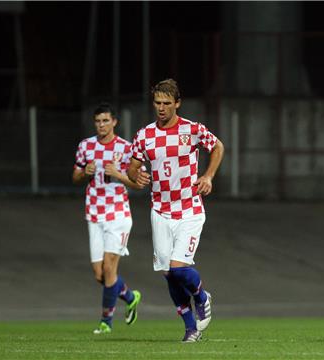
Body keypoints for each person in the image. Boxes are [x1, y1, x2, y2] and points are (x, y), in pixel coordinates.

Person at [127, 79, 224, 343]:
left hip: (189, 209)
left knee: (179, 268)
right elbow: (132, 167)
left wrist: (208, 176)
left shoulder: (192, 130)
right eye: (157, 103)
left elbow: (217, 146)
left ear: (177, 104)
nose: (161, 108)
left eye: (166, 103)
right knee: (169, 274)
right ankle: (190, 328)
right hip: (160, 211)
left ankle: (202, 296)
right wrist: (137, 175)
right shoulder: (144, 135)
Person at [72, 102, 145, 334]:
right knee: (99, 274)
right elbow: (75, 176)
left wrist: (118, 174)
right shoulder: (86, 146)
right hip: (94, 214)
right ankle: (131, 297)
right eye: (98, 121)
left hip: (118, 214)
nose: (101, 125)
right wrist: (85, 172)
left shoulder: (126, 148)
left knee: (110, 268)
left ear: (114, 122)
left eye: (106, 120)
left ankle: (106, 322)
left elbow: (138, 182)